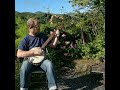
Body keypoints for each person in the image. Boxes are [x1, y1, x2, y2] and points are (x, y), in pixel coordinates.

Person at [17, 18, 60, 90]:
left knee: (49, 64)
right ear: (30, 27)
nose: (39, 28)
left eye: (39, 26)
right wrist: (33, 52)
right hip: (29, 62)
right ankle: (23, 88)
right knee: (24, 66)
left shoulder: (43, 36)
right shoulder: (26, 39)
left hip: (43, 61)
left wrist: (57, 37)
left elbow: (53, 45)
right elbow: (19, 54)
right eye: (36, 27)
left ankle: (53, 87)